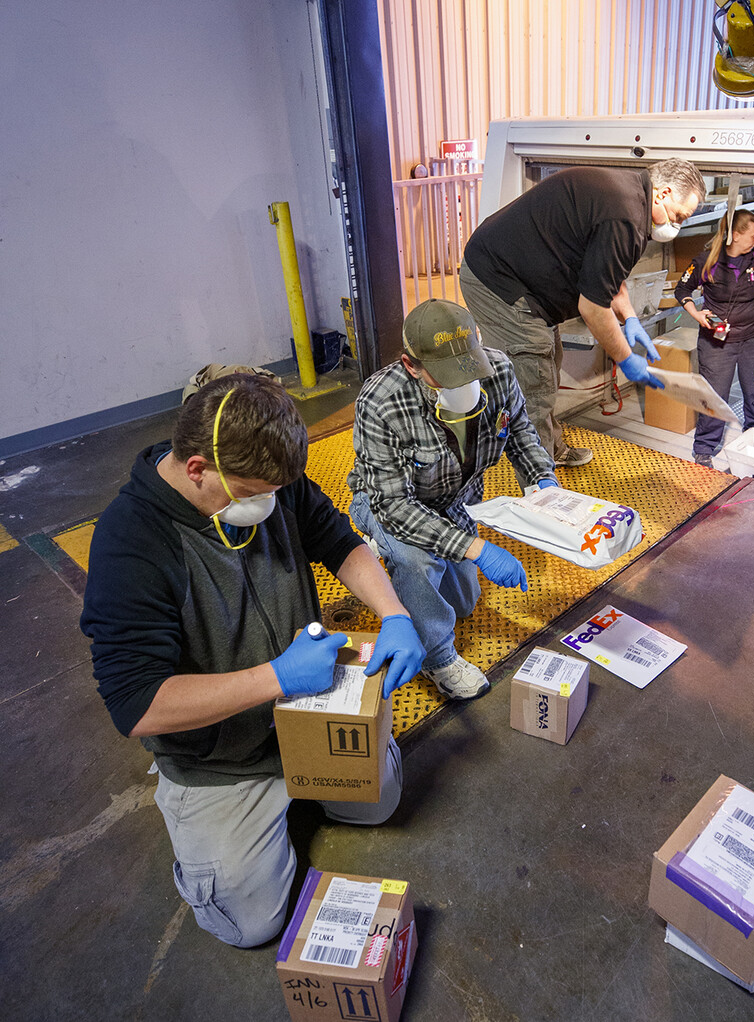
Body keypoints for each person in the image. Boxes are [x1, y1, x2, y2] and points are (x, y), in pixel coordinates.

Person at [80, 374, 427, 947]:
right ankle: (202, 817)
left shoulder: (270, 478)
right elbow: (135, 704)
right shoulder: (131, 542)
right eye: (252, 493)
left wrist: (395, 614)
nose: (269, 505)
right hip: (221, 753)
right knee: (252, 924)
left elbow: (339, 541)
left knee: (380, 804)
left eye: (277, 490)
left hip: (307, 710)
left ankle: (301, 786)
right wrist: (277, 676)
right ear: (197, 469)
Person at [348, 298, 558, 700]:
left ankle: (415, 564)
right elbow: (396, 506)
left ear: (478, 341)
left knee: (463, 604)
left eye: (469, 370)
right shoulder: (380, 402)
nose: (464, 386)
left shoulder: (497, 370)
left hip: (457, 501)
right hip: (394, 505)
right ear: (412, 366)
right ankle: (437, 658)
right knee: (417, 559)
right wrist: (475, 548)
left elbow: (519, 434)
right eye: (446, 377)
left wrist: (542, 483)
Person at [459, 159, 707, 470]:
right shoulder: (625, 215)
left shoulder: (633, 198)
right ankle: (541, 491)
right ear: (663, 193)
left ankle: (552, 447)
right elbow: (592, 308)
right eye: (679, 216)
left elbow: (608, 274)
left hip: (523, 282)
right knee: (533, 384)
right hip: (496, 280)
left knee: (547, 363)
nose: (677, 225)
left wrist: (629, 317)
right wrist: (626, 358)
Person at [674, 207, 754, 469]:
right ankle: (704, 447)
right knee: (715, 395)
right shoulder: (706, 261)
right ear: (735, 235)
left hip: (753, 334)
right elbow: (682, 288)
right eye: (753, 235)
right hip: (717, 340)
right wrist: (696, 314)